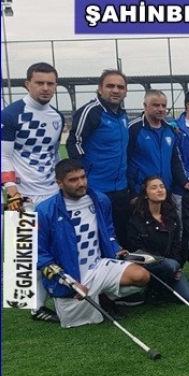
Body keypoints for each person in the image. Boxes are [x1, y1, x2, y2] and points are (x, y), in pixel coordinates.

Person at [37, 159, 150, 328]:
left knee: (141, 276)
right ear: (59, 183)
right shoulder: (44, 210)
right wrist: (69, 282)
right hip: (71, 276)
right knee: (80, 324)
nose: (81, 183)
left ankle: (104, 296)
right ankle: (89, 297)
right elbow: (39, 255)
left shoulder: (101, 199)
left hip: (98, 266)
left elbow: (108, 231)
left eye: (83, 177)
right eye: (73, 180)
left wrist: (115, 248)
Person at [2, 62, 65, 322]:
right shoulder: (11, 114)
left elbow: (53, 155)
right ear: (27, 84)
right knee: (24, 251)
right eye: (40, 83)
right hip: (23, 193)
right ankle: (32, 306)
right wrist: (11, 190)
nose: (45, 88)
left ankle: (48, 299)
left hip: (50, 192)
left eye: (50, 83)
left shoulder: (57, 117)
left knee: (52, 247)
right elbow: (3, 156)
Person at [66, 69, 131, 247]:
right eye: (110, 86)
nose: (115, 90)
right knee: (98, 238)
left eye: (120, 87)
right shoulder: (91, 112)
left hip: (121, 189)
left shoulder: (123, 115)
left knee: (122, 237)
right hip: (96, 189)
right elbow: (74, 143)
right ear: (100, 89)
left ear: (126, 91)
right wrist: (83, 178)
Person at [127, 176, 189, 302]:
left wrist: (177, 267)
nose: (160, 190)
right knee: (169, 265)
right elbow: (136, 249)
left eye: (162, 187)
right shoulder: (136, 220)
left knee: (187, 296)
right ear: (145, 194)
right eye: (154, 187)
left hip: (171, 264)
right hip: (148, 265)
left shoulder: (171, 215)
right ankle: (153, 284)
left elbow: (177, 244)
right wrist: (167, 264)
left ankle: (159, 287)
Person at [127, 90, 189, 198]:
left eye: (163, 105)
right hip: (141, 193)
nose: (161, 109)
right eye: (156, 105)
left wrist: (184, 182)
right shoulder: (133, 129)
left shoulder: (169, 130)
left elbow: (174, 161)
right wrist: (133, 191)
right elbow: (124, 162)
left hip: (165, 191)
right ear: (145, 105)